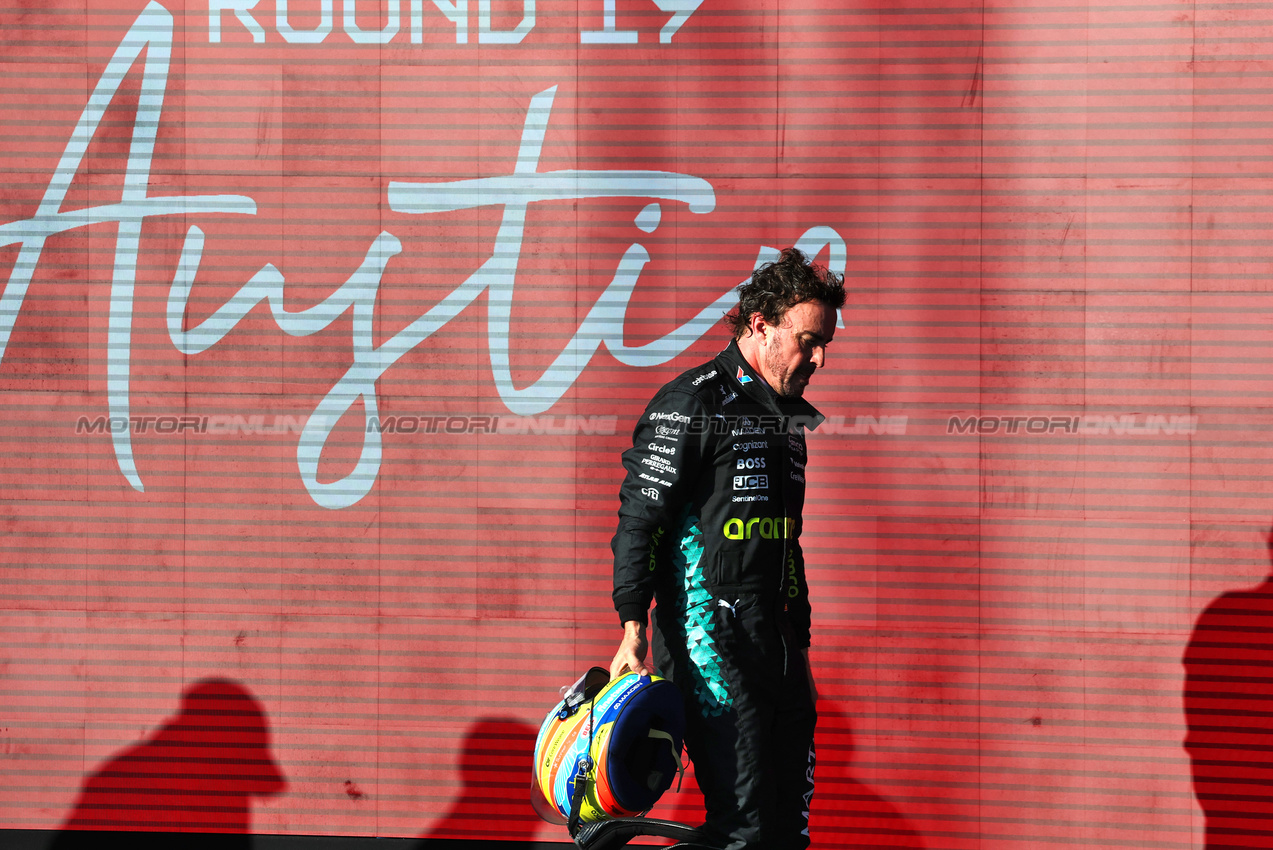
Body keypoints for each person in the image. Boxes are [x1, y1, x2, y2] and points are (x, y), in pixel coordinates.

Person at [609, 246, 845, 849]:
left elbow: (787, 547)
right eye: (809, 340)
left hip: (779, 647)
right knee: (743, 830)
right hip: (707, 638)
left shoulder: (787, 424)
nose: (818, 357)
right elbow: (640, 521)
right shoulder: (691, 402)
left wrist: (803, 651)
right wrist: (633, 631)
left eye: (826, 344)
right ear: (762, 325)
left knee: (788, 832)